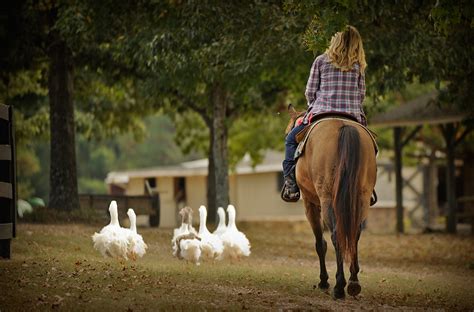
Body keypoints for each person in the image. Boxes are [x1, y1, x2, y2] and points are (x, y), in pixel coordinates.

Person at [281, 25, 368, 202]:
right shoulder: (358, 66)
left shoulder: (321, 61)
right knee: (370, 146)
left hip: (322, 114)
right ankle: (368, 186)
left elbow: (310, 92)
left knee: (291, 140)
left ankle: (291, 184)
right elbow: (361, 95)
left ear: (335, 42)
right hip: (352, 116)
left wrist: (313, 104)